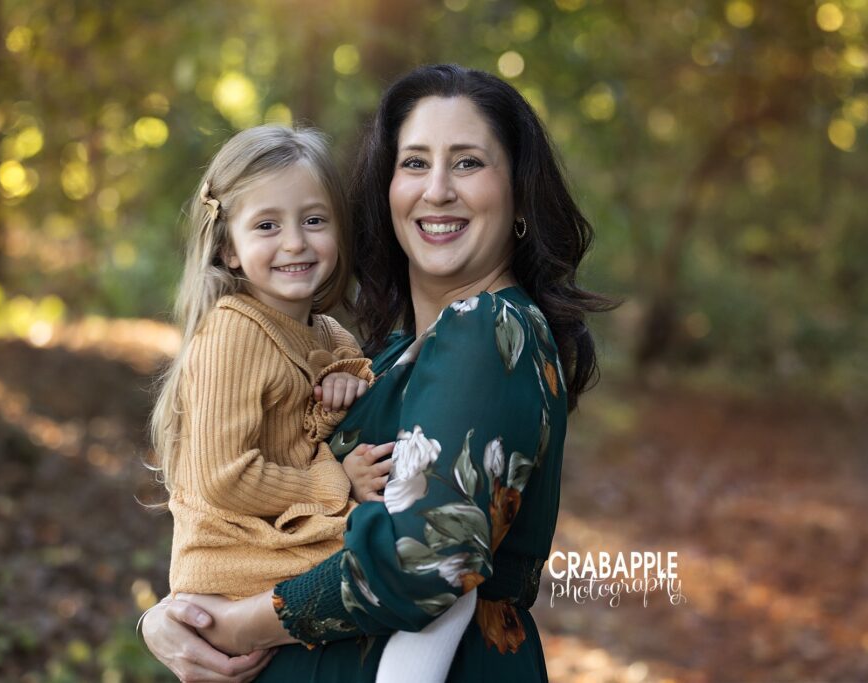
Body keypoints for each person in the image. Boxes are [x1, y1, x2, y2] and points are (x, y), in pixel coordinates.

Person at [142, 64, 612, 682]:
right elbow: (244, 486)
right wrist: (172, 617)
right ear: (385, 189)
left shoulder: (487, 327)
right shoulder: (388, 353)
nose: (437, 189)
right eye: (414, 163)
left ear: (519, 193)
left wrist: (230, 624)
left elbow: (425, 561)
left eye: (467, 162)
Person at [147, 123, 479, 683]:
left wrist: (345, 383)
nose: (296, 242)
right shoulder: (233, 331)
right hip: (235, 551)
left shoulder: (324, 330)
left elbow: (348, 374)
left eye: (314, 220)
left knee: (430, 570)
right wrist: (335, 483)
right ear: (229, 247)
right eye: (268, 225)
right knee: (431, 571)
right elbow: (223, 478)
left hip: (278, 534)